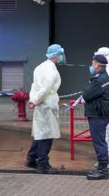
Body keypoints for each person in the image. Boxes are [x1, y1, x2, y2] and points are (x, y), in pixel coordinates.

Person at [24, 44, 66, 174]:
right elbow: (46, 88)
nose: (62, 57)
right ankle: (43, 164)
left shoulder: (39, 67)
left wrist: (33, 100)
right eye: (60, 54)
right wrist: (35, 100)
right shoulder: (51, 70)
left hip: (41, 103)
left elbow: (34, 86)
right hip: (47, 104)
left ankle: (31, 158)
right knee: (46, 135)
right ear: (56, 55)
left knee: (40, 132)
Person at [82, 54, 109, 180]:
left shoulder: (100, 79)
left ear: (98, 64)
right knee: (100, 141)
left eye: (93, 63)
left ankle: (102, 170)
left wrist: (85, 92)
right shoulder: (103, 77)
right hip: (100, 113)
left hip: (98, 114)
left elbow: (86, 94)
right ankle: (102, 168)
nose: (92, 65)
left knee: (99, 142)